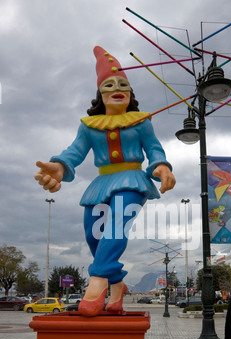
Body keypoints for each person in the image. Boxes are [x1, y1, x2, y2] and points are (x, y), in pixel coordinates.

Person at [34, 46, 176, 317]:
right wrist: (60, 167)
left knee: (115, 226)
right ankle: (117, 286)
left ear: (130, 93)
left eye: (123, 84)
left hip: (133, 180)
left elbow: (155, 149)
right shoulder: (89, 125)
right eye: (109, 85)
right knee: (92, 234)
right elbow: (74, 152)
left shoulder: (142, 122)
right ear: (101, 94)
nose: (117, 88)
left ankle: (97, 281)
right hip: (102, 183)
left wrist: (160, 167)